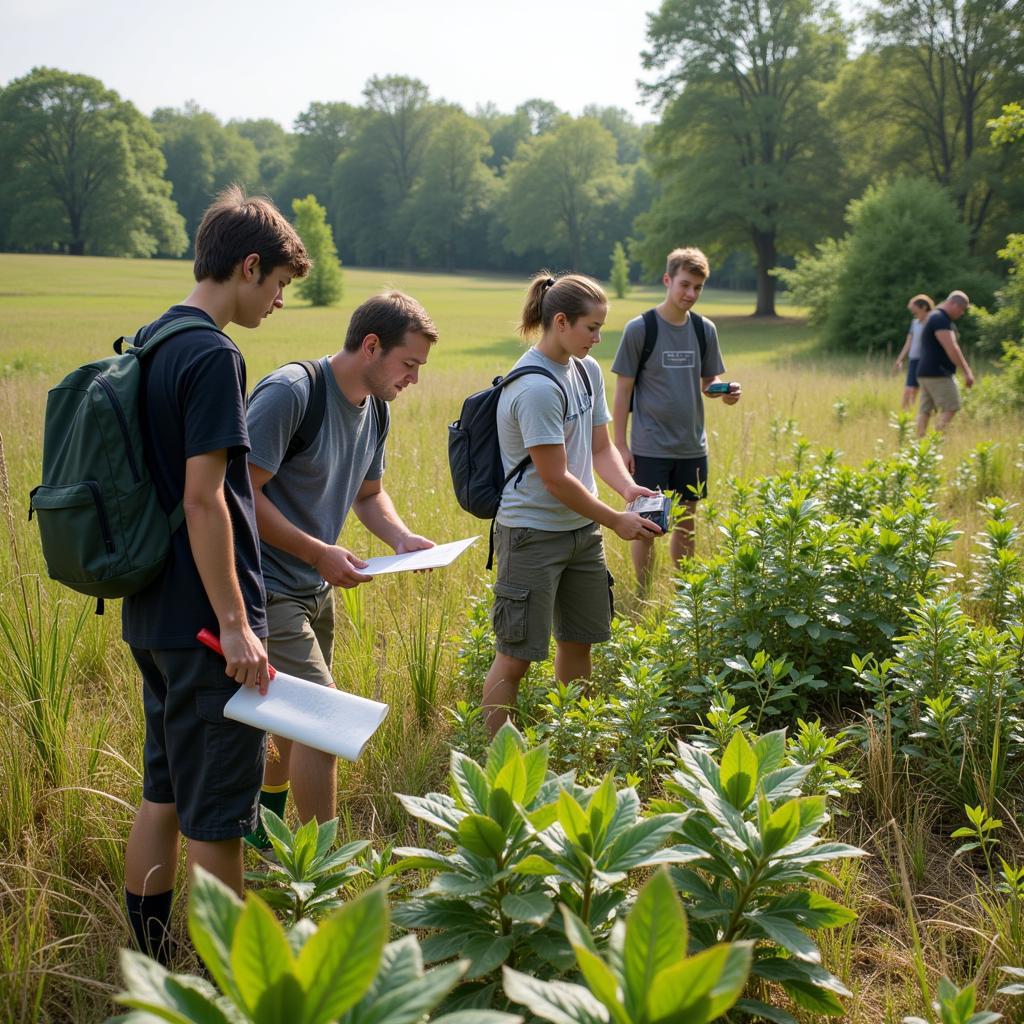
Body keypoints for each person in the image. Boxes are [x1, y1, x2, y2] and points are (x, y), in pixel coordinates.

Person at [122, 185, 310, 963]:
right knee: (219, 815)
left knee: (162, 791)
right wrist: (236, 624)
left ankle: (150, 962)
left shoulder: (151, 338)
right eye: (277, 287)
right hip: (205, 627)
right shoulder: (211, 353)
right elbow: (206, 502)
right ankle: (237, 983)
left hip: (152, 611)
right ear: (249, 265)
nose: (275, 303)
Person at [244, 292, 437, 841]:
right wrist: (317, 552)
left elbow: (370, 494)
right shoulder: (291, 393)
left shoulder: (375, 408)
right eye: (409, 364)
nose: (413, 380)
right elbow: (240, 495)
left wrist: (401, 538)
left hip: (313, 585)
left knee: (286, 713)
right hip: (264, 587)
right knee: (320, 722)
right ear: (371, 346)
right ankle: (318, 865)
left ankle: (265, 823)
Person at [482, 272, 662, 737]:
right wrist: (615, 521)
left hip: (582, 531)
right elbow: (556, 479)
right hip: (532, 535)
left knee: (580, 642)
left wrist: (628, 491)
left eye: (602, 328)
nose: (599, 339)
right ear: (560, 321)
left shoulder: (586, 370)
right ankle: (498, 756)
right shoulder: (536, 387)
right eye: (591, 328)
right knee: (517, 655)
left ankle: (574, 741)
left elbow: (601, 450)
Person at [611, 247, 741, 588]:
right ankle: (644, 591)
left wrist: (725, 394)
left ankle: (687, 595)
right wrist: (620, 445)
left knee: (687, 523)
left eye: (698, 288)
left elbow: (707, 385)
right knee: (646, 526)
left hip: (691, 448)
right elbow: (623, 391)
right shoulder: (641, 329)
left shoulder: (703, 330)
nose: (690, 294)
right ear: (667, 280)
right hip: (649, 446)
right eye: (684, 285)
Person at [916, 290, 975, 437]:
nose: (961, 313)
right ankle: (935, 444)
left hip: (924, 372)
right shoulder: (940, 319)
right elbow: (951, 347)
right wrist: (967, 371)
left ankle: (918, 443)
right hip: (938, 373)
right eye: (961, 309)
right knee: (952, 407)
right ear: (954, 303)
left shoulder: (932, 317)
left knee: (925, 410)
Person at [893, 294, 935, 410]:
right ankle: (904, 413)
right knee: (909, 389)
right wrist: (900, 359)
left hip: (927, 360)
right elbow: (909, 342)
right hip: (914, 359)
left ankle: (918, 412)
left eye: (915, 310)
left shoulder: (933, 322)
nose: (913, 313)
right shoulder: (914, 323)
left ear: (924, 307)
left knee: (919, 390)